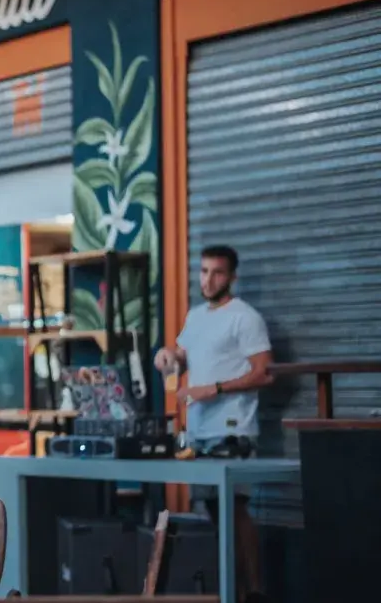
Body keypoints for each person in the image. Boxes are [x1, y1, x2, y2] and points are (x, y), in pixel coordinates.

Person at [154, 245, 273, 603]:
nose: (208, 279)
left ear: (232, 277)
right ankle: (231, 591)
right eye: (204, 271)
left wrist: (214, 388)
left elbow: (264, 374)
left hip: (233, 429)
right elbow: (183, 356)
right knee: (214, 512)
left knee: (234, 508)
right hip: (199, 431)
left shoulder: (245, 317)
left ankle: (254, 591)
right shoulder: (196, 317)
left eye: (217, 273)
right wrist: (167, 356)